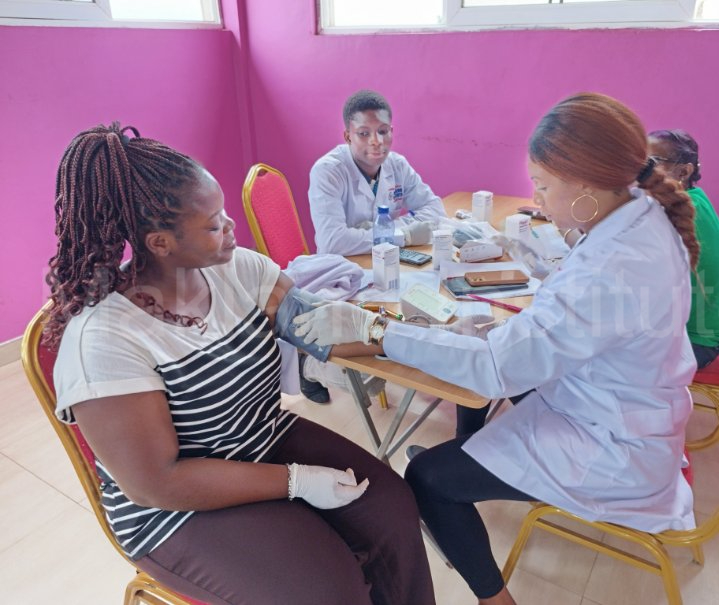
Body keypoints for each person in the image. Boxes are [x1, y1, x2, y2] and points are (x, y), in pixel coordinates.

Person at [293, 92, 699, 605]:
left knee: (428, 476)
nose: (539, 197)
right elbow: (565, 324)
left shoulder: (614, 265)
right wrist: (541, 269)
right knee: (492, 359)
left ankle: (495, 598)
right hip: (618, 402)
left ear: (587, 187)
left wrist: (375, 331)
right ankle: (473, 449)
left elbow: (492, 368)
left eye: (543, 185)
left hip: (614, 444)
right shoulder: (638, 215)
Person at [44, 123, 435, 605]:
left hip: (259, 439)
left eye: (224, 212)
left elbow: (314, 325)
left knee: (392, 508)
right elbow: (157, 482)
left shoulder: (237, 269)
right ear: (159, 242)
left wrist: (409, 334)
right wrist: (297, 481)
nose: (231, 228)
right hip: (176, 506)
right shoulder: (105, 340)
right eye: (212, 224)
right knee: (326, 591)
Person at [308, 89, 446, 256]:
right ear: (348, 137)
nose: (376, 142)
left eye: (383, 131)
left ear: (391, 131)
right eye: (364, 133)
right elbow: (332, 241)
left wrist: (381, 230)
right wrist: (404, 234)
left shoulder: (397, 165)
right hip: (343, 268)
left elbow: (435, 210)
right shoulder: (328, 171)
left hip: (390, 260)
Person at [648, 129, 719, 369]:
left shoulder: (680, 211)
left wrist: (568, 232)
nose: (640, 171)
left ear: (684, 172)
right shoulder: (693, 199)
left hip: (694, 343)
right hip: (686, 334)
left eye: (652, 163)